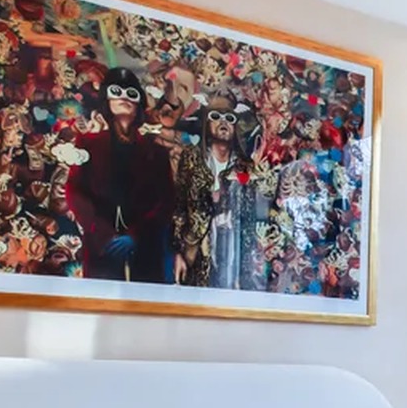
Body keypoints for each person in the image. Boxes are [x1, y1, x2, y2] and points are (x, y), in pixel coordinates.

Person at [63, 67, 176, 282]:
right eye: (117, 92)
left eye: (131, 94)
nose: (124, 98)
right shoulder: (88, 144)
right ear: (107, 99)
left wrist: (136, 234)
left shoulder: (157, 153)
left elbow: (166, 201)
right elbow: (75, 191)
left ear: (139, 104)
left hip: (145, 248)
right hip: (100, 245)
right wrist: (103, 232)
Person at [173, 95, 264, 288]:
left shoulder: (244, 166)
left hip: (231, 249)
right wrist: (178, 252)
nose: (223, 122)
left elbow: (249, 218)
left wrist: (246, 267)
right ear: (207, 122)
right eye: (216, 116)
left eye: (230, 118)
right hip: (196, 247)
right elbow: (180, 205)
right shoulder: (191, 157)